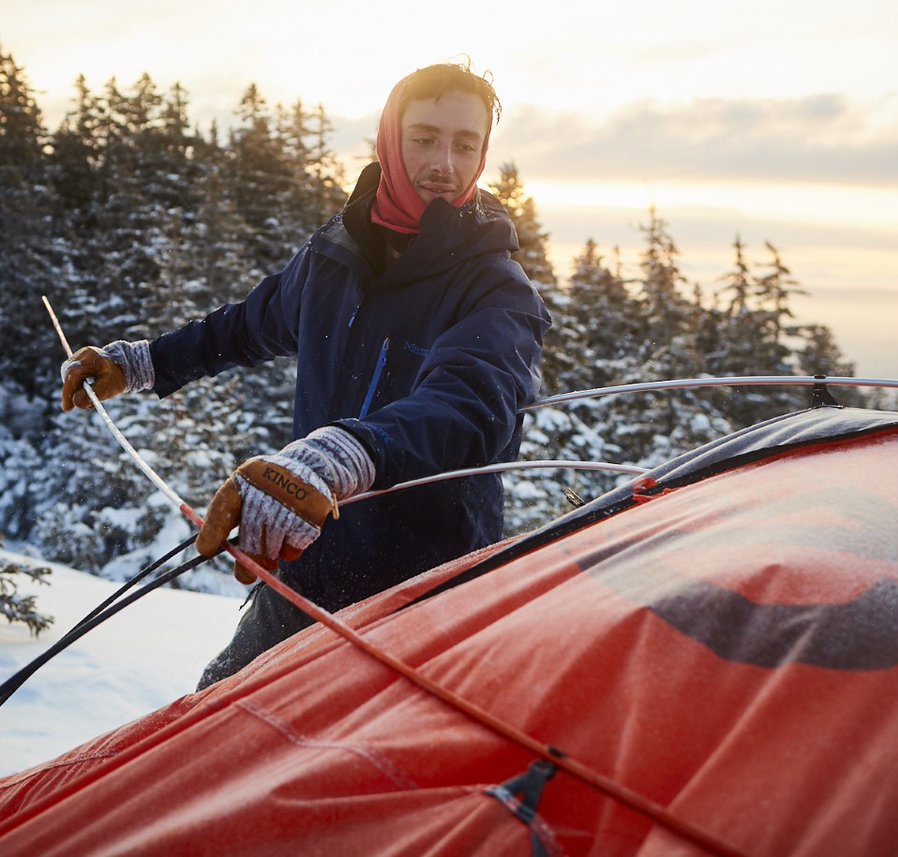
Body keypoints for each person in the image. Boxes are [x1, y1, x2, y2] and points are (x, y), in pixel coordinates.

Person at [60, 62, 551, 689]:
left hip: (423, 599)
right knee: (214, 731)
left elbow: (470, 405)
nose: (443, 163)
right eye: (425, 138)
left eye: (465, 145)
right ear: (390, 140)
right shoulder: (334, 257)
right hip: (304, 570)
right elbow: (244, 327)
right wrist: (143, 363)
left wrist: (346, 451)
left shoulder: (496, 291)